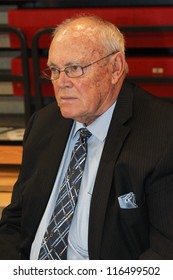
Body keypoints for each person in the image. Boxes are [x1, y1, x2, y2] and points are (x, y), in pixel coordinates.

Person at [0, 15, 173, 260]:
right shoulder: (43, 124)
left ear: (115, 67)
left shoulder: (163, 133)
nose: (61, 83)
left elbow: (165, 253)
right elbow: (15, 221)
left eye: (74, 69)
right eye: (54, 70)